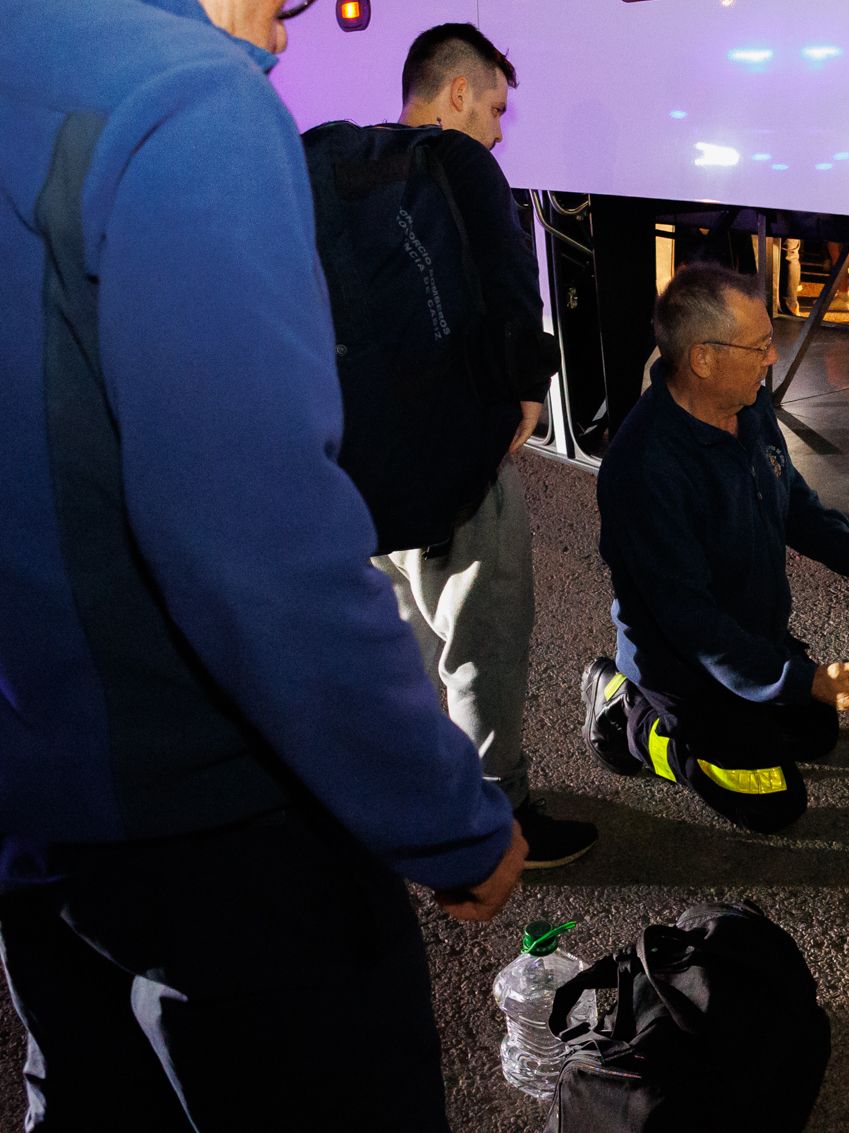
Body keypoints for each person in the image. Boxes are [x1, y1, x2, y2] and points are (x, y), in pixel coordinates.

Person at [0, 1, 525, 1128]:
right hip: (215, 815)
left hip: (36, 797)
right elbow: (253, 548)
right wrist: (449, 818)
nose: (290, 36)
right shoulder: (190, 101)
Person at [581, 264, 849, 833]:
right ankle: (629, 714)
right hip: (685, 664)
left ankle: (743, 707)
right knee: (773, 803)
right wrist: (801, 678)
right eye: (761, 346)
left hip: (752, 637)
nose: (773, 358)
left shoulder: (748, 408)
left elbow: (794, 504)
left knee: (816, 734)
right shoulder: (644, 469)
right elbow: (693, 625)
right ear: (703, 358)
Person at [365, 22, 596, 869]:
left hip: (359, 468)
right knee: (482, 640)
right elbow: (508, 289)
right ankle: (497, 819)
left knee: (403, 647)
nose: (499, 128)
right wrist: (526, 395)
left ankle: (419, 800)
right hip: (452, 464)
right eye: (494, 106)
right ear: (456, 90)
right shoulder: (460, 172)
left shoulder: (347, 169)